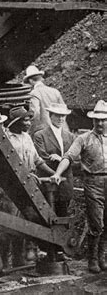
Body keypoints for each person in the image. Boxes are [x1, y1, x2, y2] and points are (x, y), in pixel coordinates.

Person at [52, 100, 107, 273]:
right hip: (93, 183)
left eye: (103, 120)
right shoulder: (83, 139)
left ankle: (102, 257)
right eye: (96, 120)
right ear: (92, 121)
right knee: (96, 222)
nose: (100, 123)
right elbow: (68, 157)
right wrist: (58, 173)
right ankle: (92, 259)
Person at [0, 105, 55, 266]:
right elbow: (5, 166)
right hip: (11, 187)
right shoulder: (6, 139)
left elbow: (37, 161)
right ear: (16, 122)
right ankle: (3, 262)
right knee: (7, 223)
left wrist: (54, 174)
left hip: (29, 186)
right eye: (25, 120)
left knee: (26, 222)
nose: (29, 123)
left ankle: (19, 260)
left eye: (29, 119)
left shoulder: (27, 137)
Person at [33, 102, 74, 217]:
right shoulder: (40, 135)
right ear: (50, 116)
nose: (60, 118)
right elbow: (41, 157)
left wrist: (61, 159)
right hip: (48, 181)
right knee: (46, 215)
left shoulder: (70, 136)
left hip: (65, 182)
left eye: (63, 116)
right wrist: (56, 160)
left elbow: (75, 158)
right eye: (57, 115)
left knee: (63, 214)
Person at [23, 65, 66, 135]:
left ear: (30, 81)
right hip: (60, 130)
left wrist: (31, 131)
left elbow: (36, 113)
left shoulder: (34, 93)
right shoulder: (55, 91)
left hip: (45, 132)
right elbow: (64, 109)